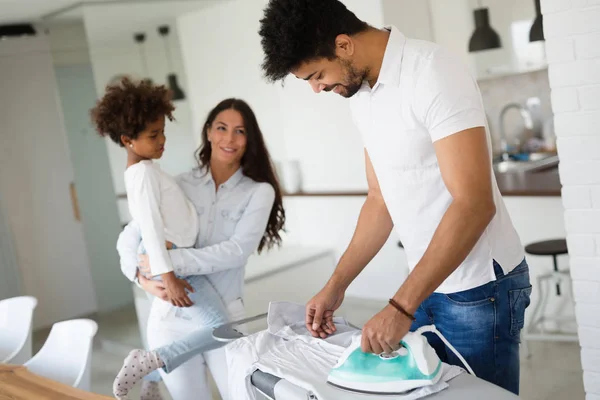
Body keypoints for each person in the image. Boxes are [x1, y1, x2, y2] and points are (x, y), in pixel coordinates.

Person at [258, 0, 531, 395]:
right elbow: (379, 200)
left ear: (344, 45)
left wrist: (400, 307)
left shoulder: (432, 72)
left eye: (316, 75)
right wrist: (337, 284)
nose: (318, 89)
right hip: (425, 278)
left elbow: (474, 203)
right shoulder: (363, 96)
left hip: (479, 287)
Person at [115, 97, 285, 399]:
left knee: (242, 395)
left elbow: (236, 251)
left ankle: (153, 369)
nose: (229, 138)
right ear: (208, 132)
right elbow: (131, 235)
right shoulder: (179, 183)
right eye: (221, 128)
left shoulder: (259, 192)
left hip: (223, 319)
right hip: (171, 318)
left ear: (250, 139)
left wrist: (169, 262)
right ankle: (152, 373)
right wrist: (139, 276)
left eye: (240, 131)